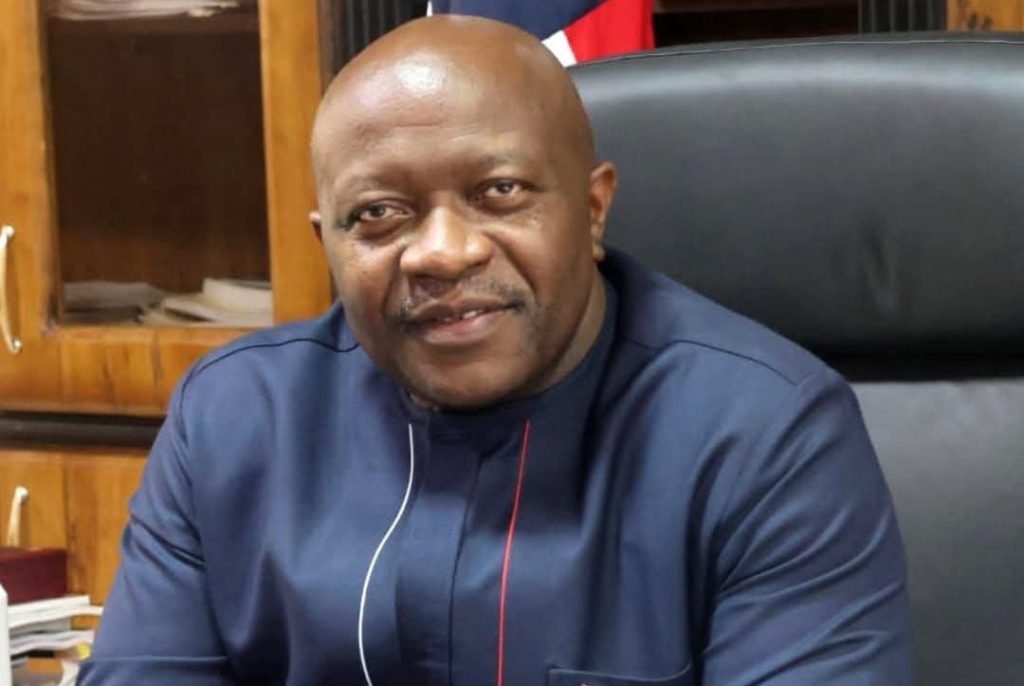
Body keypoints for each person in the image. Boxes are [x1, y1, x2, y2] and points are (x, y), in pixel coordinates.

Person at [79, 15, 912, 686]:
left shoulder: (763, 434)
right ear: (326, 243)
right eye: (378, 214)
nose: (442, 253)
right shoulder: (231, 421)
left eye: (500, 192)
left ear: (592, 210)